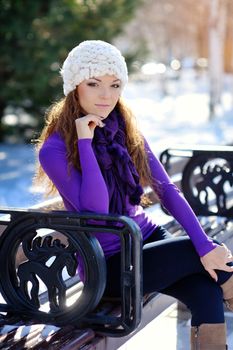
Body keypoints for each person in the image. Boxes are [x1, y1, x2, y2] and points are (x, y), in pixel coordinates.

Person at [35, 40, 233, 349]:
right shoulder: (54, 149)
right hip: (109, 266)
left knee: (206, 290)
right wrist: (86, 143)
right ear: (74, 86)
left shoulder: (125, 131)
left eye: (115, 85)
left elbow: (166, 189)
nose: (107, 95)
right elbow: (97, 210)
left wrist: (205, 245)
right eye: (94, 83)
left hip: (150, 241)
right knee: (214, 257)